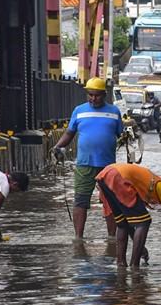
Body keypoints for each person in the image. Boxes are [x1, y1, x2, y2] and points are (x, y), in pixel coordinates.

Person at [53, 77, 124, 242]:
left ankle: (112, 238)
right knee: (81, 200)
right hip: (84, 164)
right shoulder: (79, 111)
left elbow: (121, 136)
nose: (93, 98)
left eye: (97, 95)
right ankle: (78, 237)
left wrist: (128, 140)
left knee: (110, 202)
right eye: (90, 95)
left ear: (104, 94)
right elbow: (69, 134)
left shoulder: (114, 112)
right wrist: (57, 147)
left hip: (108, 167)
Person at [95, 163, 161, 269]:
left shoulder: (151, 186)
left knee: (123, 223)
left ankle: (121, 264)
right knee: (144, 222)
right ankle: (134, 265)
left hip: (105, 174)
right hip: (119, 176)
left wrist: (140, 247)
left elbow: (130, 224)